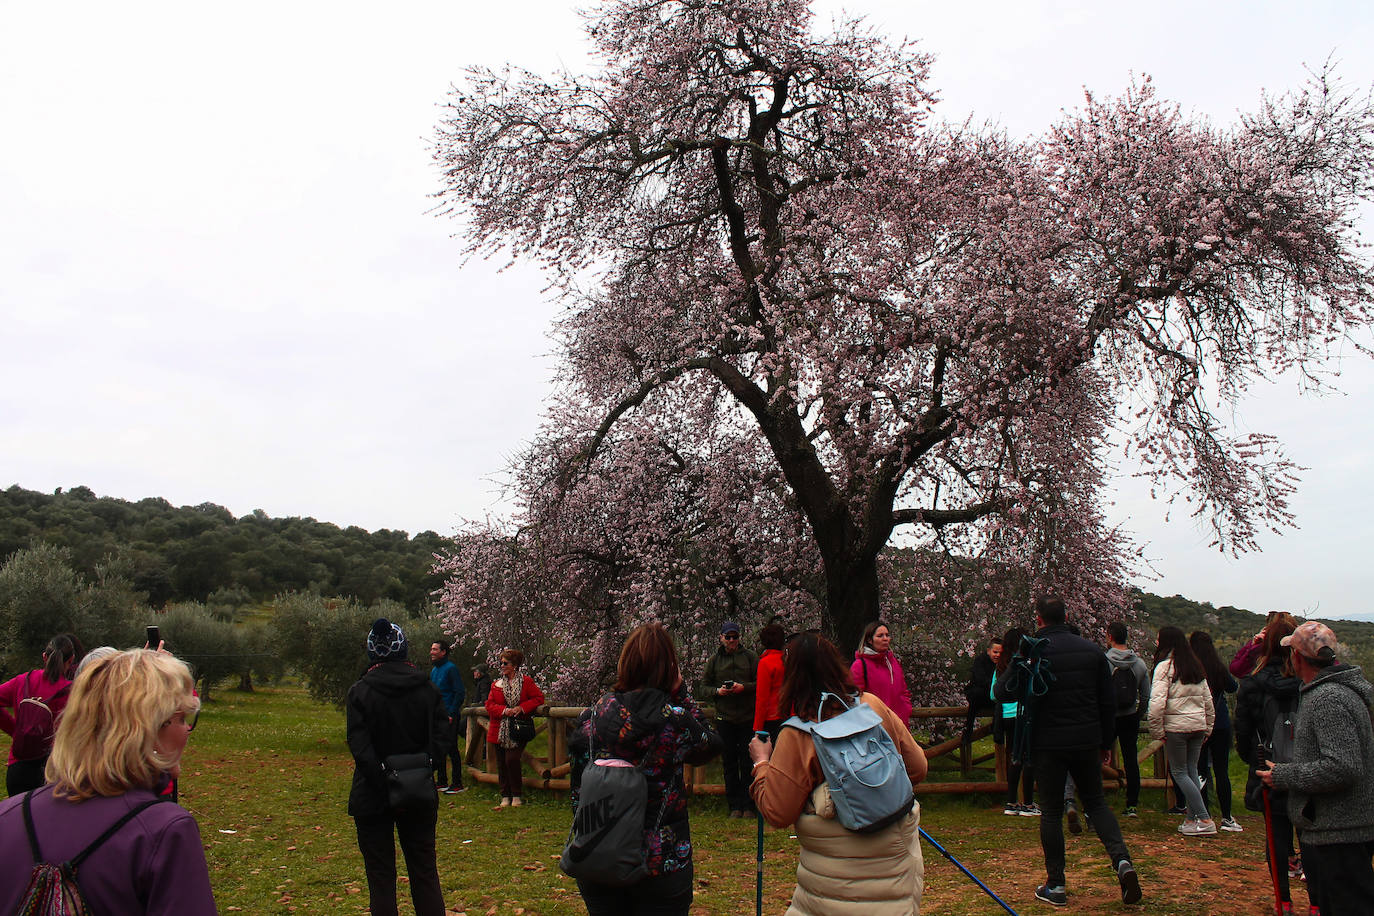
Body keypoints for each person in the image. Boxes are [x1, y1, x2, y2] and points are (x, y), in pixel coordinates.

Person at [0, 648, 216, 914]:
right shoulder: (165, 832)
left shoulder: (7, 816)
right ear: (145, 731)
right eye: (181, 718)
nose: (186, 730)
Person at [749, 631, 928, 914]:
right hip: (896, 874)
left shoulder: (798, 735)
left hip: (833, 885)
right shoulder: (872, 706)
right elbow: (918, 767)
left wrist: (761, 764)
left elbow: (777, 811)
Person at [995, 595, 1140, 908]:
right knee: (1097, 804)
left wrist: (1020, 659)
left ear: (1040, 619)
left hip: (1047, 744)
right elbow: (1107, 702)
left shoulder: (1034, 652)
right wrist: (1105, 743)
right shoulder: (1092, 652)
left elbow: (1000, 692)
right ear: (1066, 616)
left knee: (1050, 812)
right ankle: (1122, 862)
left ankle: (1056, 884)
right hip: (1087, 740)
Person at [568, 622, 722, 915]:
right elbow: (711, 743)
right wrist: (682, 694)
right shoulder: (673, 722)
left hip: (598, 855)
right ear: (669, 669)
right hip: (660, 863)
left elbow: (578, 790)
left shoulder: (591, 717)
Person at [1260, 622, 1374, 916]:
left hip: (1339, 832)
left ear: (1296, 657)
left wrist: (1283, 776)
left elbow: (1343, 767)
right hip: (1339, 828)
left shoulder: (1329, 699)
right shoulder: (1332, 692)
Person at [346, 618, 448, 916]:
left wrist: (384, 780)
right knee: (424, 871)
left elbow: (359, 747)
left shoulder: (360, 692)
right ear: (403, 648)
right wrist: (426, 769)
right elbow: (443, 736)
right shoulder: (427, 689)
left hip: (372, 794)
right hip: (418, 792)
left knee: (380, 878)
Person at [1234, 615, 1309, 913]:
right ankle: (1315, 902)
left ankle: (1283, 902)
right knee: (1309, 836)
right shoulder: (1306, 683)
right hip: (1305, 769)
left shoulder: (1252, 683)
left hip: (1268, 767)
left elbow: (1243, 732)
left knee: (1276, 838)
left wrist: (1254, 761)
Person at [1148, 625, 1216, 836]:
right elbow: (1208, 702)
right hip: (1197, 726)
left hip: (1177, 728)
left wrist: (1157, 731)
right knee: (1191, 771)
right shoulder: (1196, 667)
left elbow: (1157, 703)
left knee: (1179, 772)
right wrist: (1208, 728)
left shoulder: (1165, 668)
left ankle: (1204, 819)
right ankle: (1190, 820)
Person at [0, 633, 79, 796]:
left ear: (44, 656)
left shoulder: (23, 681)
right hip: (53, 769)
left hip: (18, 766)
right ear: (71, 660)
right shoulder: (73, 692)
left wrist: (15, 730)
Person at [701, 619, 758, 817]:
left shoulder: (750, 657)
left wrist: (745, 688)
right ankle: (734, 805)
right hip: (725, 718)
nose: (732, 640)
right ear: (722, 638)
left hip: (746, 716)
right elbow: (703, 687)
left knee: (747, 761)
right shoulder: (714, 661)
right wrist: (718, 692)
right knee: (729, 763)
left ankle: (749, 804)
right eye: (728, 637)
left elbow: (760, 683)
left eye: (735, 637)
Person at [1190, 629, 1240, 831]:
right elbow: (1233, 687)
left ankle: (1204, 815)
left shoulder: (1191, 668)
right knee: (1222, 771)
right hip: (1220, 723)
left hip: (1199, 723)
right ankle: (1227, 816)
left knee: (1200, 771)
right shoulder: (1218, 667)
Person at [485, 647, 544, 808]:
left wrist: (522, 708)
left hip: (518, 728)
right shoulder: (496, 685)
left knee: (511, 759)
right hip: (499, 728)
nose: (502, 666)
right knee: (501, 763)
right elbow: (489, 705)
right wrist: (504, 711)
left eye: (505, 663)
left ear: (515, 665)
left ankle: (516, 794)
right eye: (501, 663)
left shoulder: (526, 682)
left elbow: (538, 698)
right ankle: (505, 794)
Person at [1104, 621, 1150, 818]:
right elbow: (1146, 694)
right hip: (1130, 716)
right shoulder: (1139, 664)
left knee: (1097, 755)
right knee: (1131, 760)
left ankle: (1095, 801)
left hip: (1108, 716)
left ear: (1110, 637)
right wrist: (1139, 713)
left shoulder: (1103, 661)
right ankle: (1132, 804)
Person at [993, 627, 1037, 816]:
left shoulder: (1001, 666)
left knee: (1014, 757)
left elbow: (993, 694)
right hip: (1024, 714)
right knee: (1028, 758)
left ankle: (1011, 802)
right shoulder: (1026, 663)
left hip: (1007, 716)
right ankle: (1028, 803)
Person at [850, 620, 913, 725]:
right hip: (875, 725)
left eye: (887, 635)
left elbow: (903, 690)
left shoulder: (893, 663)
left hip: (899, 723)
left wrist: (905, 709)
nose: (885, 639)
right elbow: (855, 697)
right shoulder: (860, 665)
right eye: (880, 636)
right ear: (870, 640)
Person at [429, 638, 466, 793]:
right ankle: (442, 780)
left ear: (443, 652)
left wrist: (451, 712)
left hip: (449, 715)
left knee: (452, 748)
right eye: (431, 649)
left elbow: (459, 692)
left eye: (435, 649)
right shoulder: (434, 670)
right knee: (439, 748)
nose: (432, 652)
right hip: (437, 715)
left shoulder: (451, 669)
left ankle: (457, 783)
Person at [963, 636, 1002, 746]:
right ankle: (968, 730)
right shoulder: (980, 661)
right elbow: (981, 680)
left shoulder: (1003, 663)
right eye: (995, 652)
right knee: (976, 696)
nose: (997, 655)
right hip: (980, 694)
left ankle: (996, 728)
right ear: (989, 651)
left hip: (994, 696)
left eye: (1000, 653)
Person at [753, 623, 787, 741]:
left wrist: (757, 727)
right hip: (788, 714)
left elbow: (762, 698)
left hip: (771, 717)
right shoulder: (788, 660)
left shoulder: (765, 663)